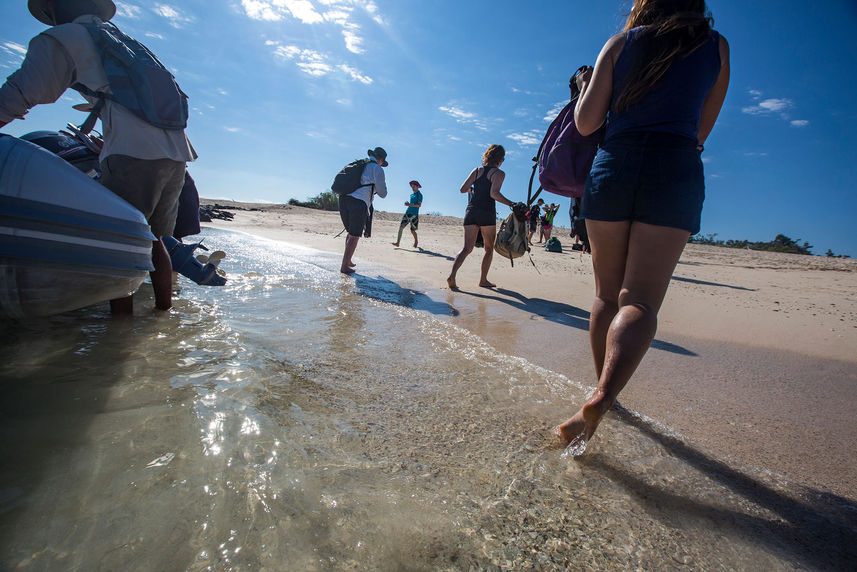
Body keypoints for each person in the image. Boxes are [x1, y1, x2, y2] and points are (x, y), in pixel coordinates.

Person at [555, 0, 730, 454]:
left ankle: (600, 390)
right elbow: (700, 132)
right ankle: (604, 397)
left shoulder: (620, 44)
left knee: (605, 295)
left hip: (616, 165)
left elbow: (586, 121)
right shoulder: (716, 47)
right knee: (641, 301)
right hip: (673, 169)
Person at [0, 0, 197, 315]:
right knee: (154, 238)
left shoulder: (64, 36)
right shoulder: (125, 43)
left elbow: (22, 91)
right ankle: (164, 317)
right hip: (177, 153)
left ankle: (119, 334)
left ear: (53, 8)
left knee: (122, 242)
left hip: (135, 152)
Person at [447, 144, 515, 290]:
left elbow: (462, 189)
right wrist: (511, 203)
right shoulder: (499, 173)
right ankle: (483, 280)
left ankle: (452, 277)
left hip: (471, 211)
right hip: (486, 213)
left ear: (487, 156)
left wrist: (475, 189)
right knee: (488, 249)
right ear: (500, 159)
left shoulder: (477, 170)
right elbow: (494, 194)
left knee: (466, 248)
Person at [339, 147, 388, 274]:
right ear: (381, 160)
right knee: (355, 235)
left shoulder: (359, 164)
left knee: (350, 232)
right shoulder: (377, 169)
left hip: (343, 198)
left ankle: (347, 260)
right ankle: (344, 266)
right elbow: (383, 193)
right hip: (359, 202)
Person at [392, 180, 423, 248]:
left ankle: (416, 241)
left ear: (417, 186)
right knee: (401, 227)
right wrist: (408, 204)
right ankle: (398, 243)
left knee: (412, 231)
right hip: (407, 213)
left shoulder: (419, 195)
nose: (412, 188)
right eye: (412, 187)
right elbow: (412, 204)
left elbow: (419, 205)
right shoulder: (411, 195)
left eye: (414, 186)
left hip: (414, 215)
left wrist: (409, 204)